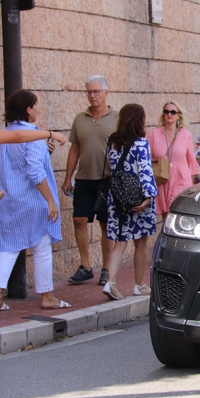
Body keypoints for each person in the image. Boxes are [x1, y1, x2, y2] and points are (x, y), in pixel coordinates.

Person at [0, 90, 71, 311]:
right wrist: (50, 200)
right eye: (35, 106)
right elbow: (35, 171)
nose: (37, 110)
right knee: (42, 247)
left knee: (8, 247)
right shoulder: (34, 135)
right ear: (28, 109)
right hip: (33, 201)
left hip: (9, 198)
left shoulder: (5, 133)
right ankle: (47, 296)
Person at [62, 75, 118, 286]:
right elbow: (74, 148)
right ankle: (85, 266)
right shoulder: (80, 118)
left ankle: (106, 268)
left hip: (107, 179)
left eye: (96, 92)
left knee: (105, 225)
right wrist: (68, 177)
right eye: (89, 92)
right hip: (84, 178)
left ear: (105, 92)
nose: (92, 96)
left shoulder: (116, 118)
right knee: (79, 220)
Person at [102, 104, 158, 300]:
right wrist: (148, 196)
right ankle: (139, 285)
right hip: (137, 197)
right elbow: (144, 171)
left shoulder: (113, 142)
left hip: (117, 197)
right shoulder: (141, 143)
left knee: (119, 242)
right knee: (140, 244)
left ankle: (111, 282)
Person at [147, 101, 199, 221]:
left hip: (181, 179)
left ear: (178, 115)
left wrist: (195, 179)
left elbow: (190, 159)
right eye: (166, 112)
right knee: (166, 217)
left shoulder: (186, 135)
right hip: (162, 179)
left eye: (173, 112)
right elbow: (147, 157)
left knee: (178, 213)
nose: (169, 114)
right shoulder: (154, 134)